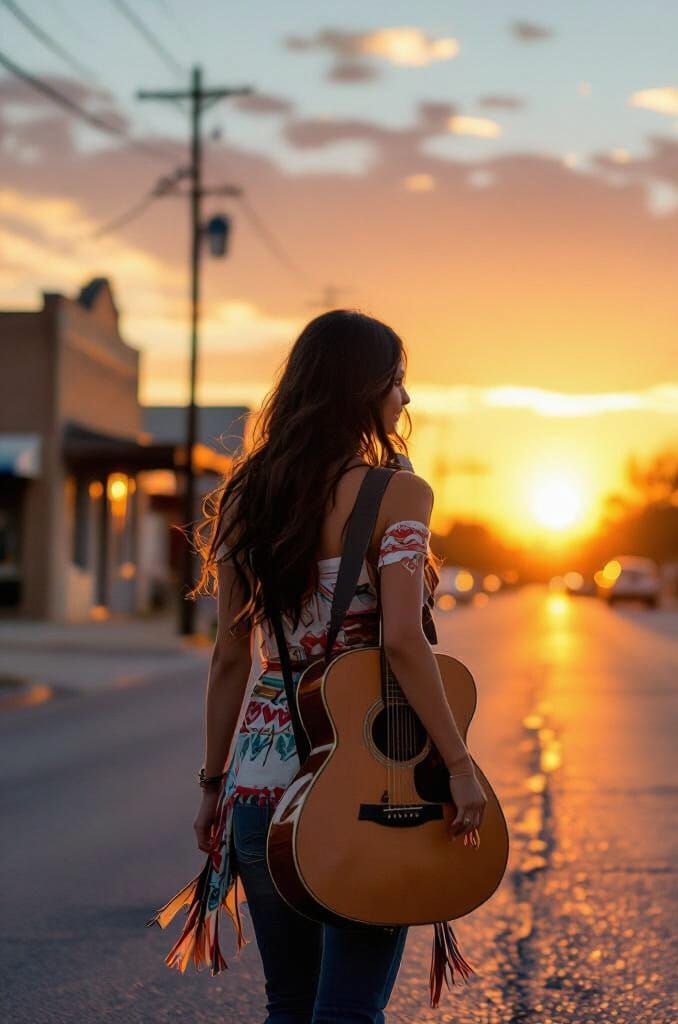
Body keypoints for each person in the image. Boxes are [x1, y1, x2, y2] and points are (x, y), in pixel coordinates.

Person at [149, 310, 488, 1024]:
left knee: (290, 1006)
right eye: (399, 382)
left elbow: (233, 653)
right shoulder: (397, 492)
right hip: (360, 790)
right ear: (366, 389)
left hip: (262, 784)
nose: (406, 400)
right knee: (348, 1013)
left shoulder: (247, 494)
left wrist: (214, 786)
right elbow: (402, 640)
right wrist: (457, 764)